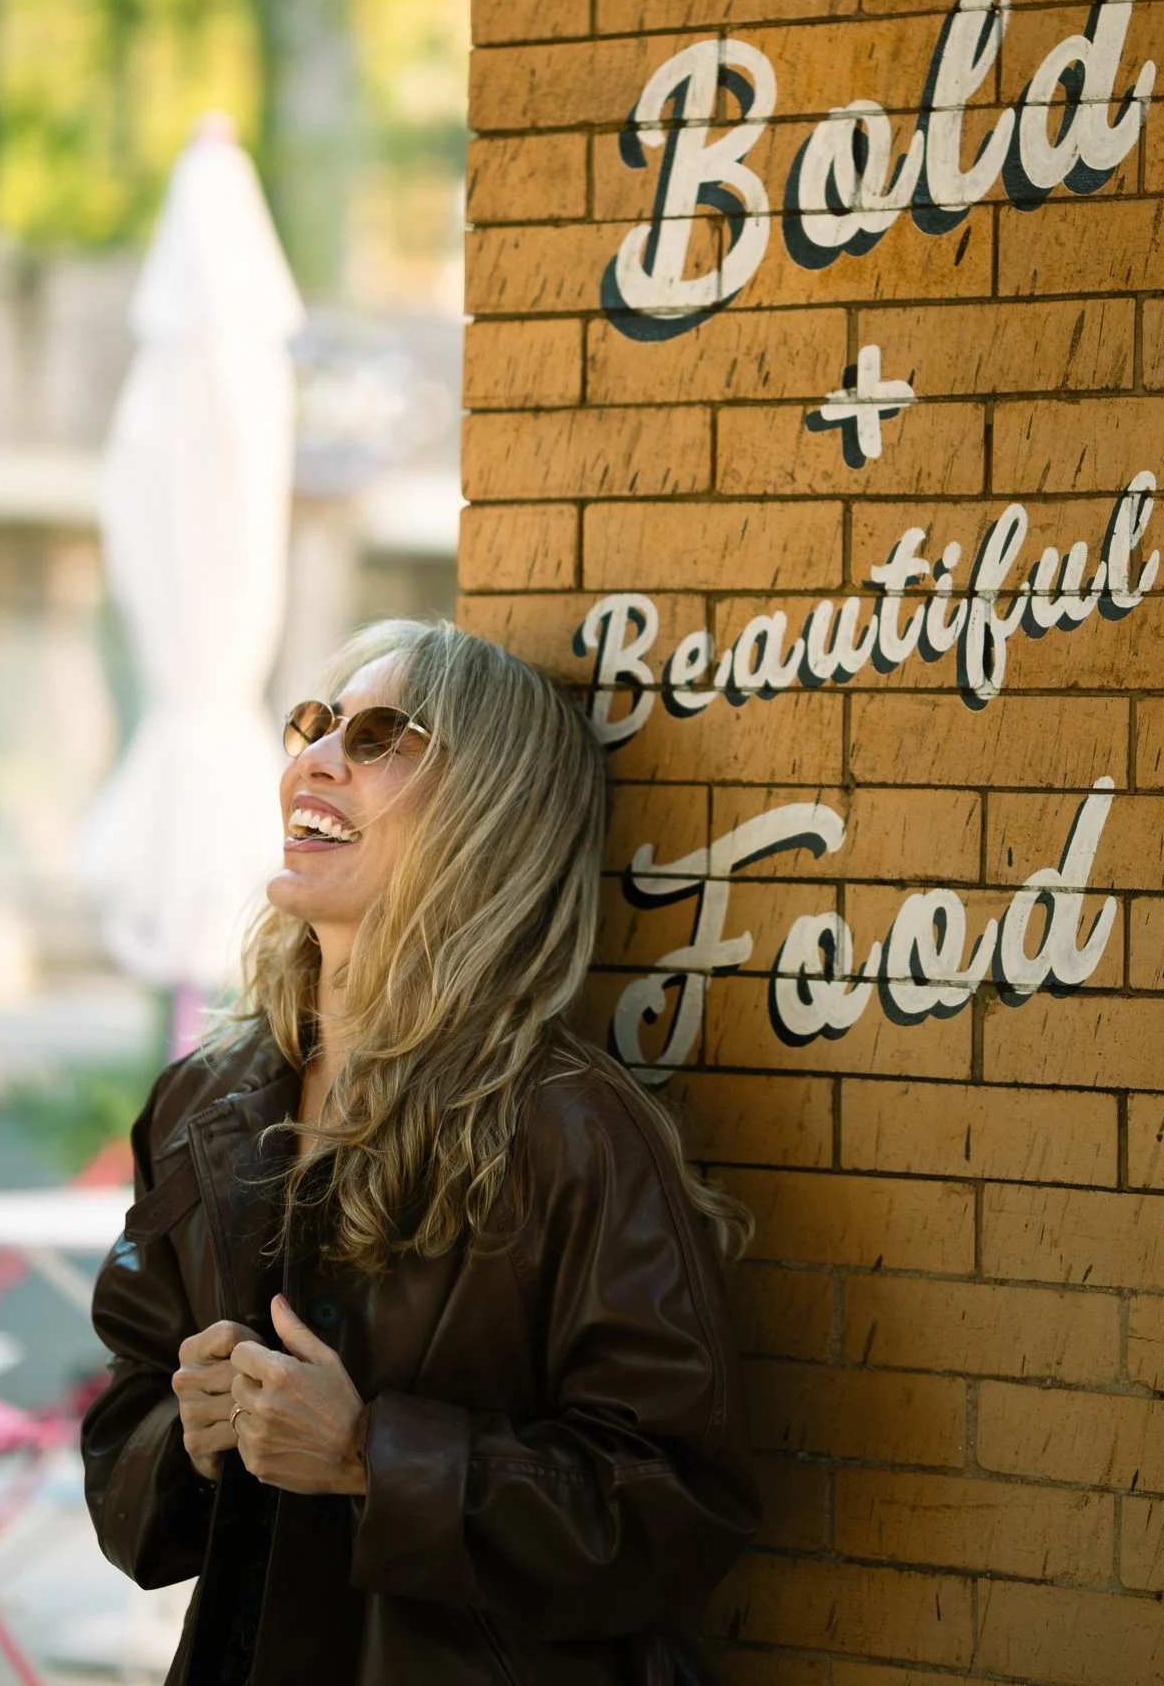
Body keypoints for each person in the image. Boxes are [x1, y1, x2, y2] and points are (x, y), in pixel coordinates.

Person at [81, 618, 760, 1685]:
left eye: (381, 733)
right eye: (315, 724)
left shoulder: (570, 1127)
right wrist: (191, 1434)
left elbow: (672, 1504)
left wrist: (368, 1455)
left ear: (487, 813)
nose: (313, 755)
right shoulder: (202, 1103)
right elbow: (124, 1432)